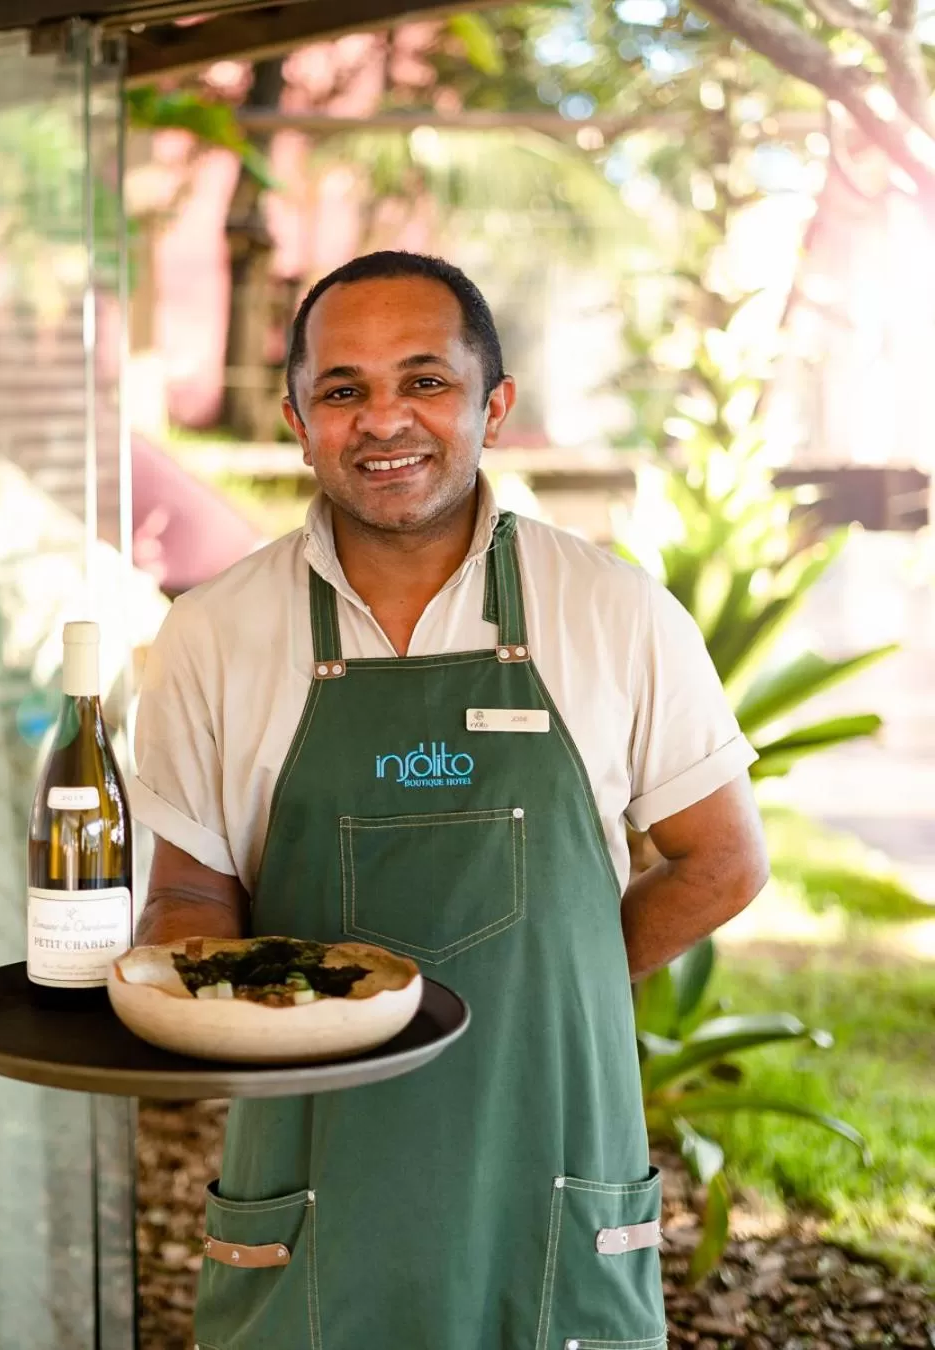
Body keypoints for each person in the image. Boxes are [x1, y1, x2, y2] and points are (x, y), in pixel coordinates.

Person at [131, 250, 769, 1350]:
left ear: (494, 404)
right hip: (313, 1169)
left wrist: (543, 986)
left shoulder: (614, 612)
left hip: (550, 1150)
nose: (385, 421)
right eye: (344, 390)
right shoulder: (212, 636)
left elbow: (723, 859)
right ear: (296, 416)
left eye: (424, 381)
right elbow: (190, 885)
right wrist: (215, 1005)